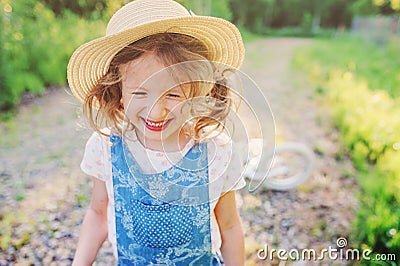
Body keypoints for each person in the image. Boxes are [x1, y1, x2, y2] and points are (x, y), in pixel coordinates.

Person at [67, 0, 246, 265]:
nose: (155, 111)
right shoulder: (105, 147)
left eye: (172, 94)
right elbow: (97, 212)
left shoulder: (215, 150)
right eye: (140, 93)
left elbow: (230, 227)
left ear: (194, 91)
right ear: (118, 92)